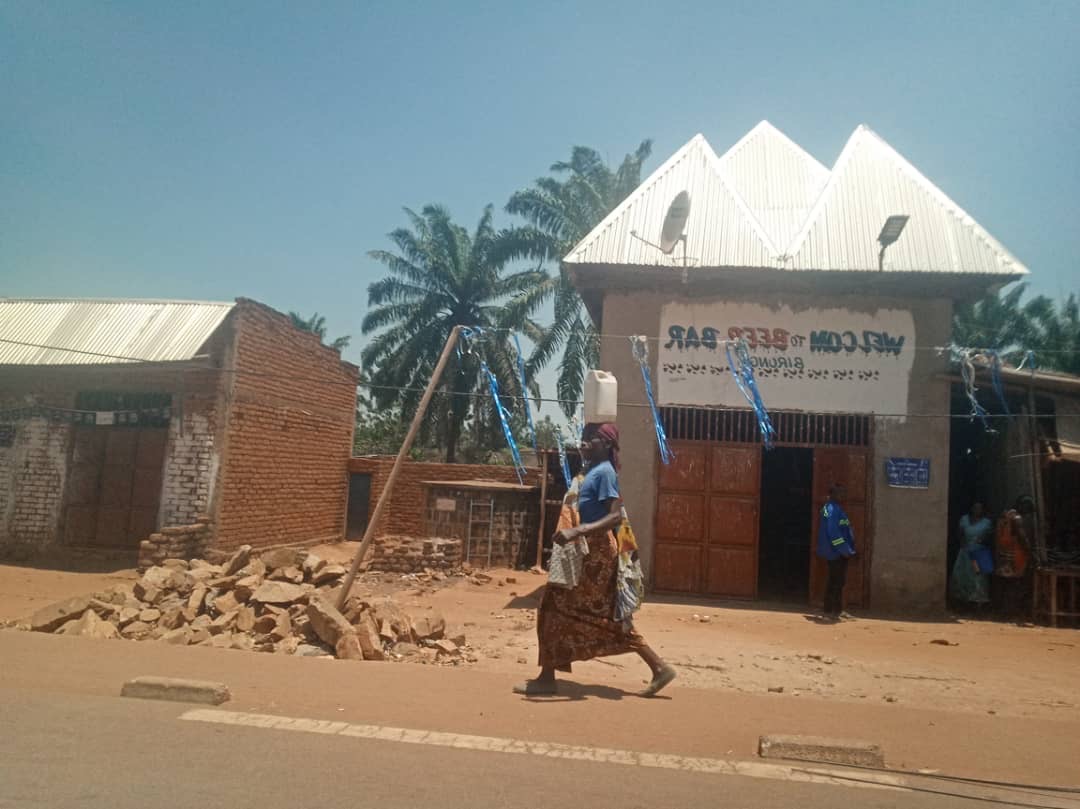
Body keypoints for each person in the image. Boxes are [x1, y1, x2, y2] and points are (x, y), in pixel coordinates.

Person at [514, 422, 676, 697]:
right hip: (588, 553)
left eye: (591, 440)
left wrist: (577, 530)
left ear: (607, 445)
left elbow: (615, 515)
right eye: (583, 439)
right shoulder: (589, 472)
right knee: (569, 610)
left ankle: (547, 677)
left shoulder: (604, 473)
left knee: (560, 608)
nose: (584, 443)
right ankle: (658, 667)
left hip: (597, 556)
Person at [816, 483, 856, 621]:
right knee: (836, 581)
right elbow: (833, 533)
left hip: (837, 551)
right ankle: (830, 611)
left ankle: (836, 610)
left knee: (837, 581)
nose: (843, 495)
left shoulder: (834, 508)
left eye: (844, 493)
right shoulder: (832, 509)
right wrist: (844, 550)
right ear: (833, 494)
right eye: (840, 493)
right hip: (835, 552)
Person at [994, 495, 1035, 620]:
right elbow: (1022, 537)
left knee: (1006, 584)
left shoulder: (1006, 519)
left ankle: (1004, 612)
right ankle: (1010, 612)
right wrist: (1030, 553)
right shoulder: (1017, 519)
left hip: (1005, 555)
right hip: (1016, 555)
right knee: (1015, 584)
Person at [949, 502, 994, 608]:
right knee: (961, 575)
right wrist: (963, 544)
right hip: (965, 551)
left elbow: (990, 537)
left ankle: (978, 603)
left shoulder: (987, 523)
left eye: (980, 508)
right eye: (975, 508)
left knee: (979, 577)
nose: (977, 510)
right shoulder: (964, 519)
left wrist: (982, 541)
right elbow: (959, 534)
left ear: (983, 510)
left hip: (980, 552)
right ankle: (962, 601)